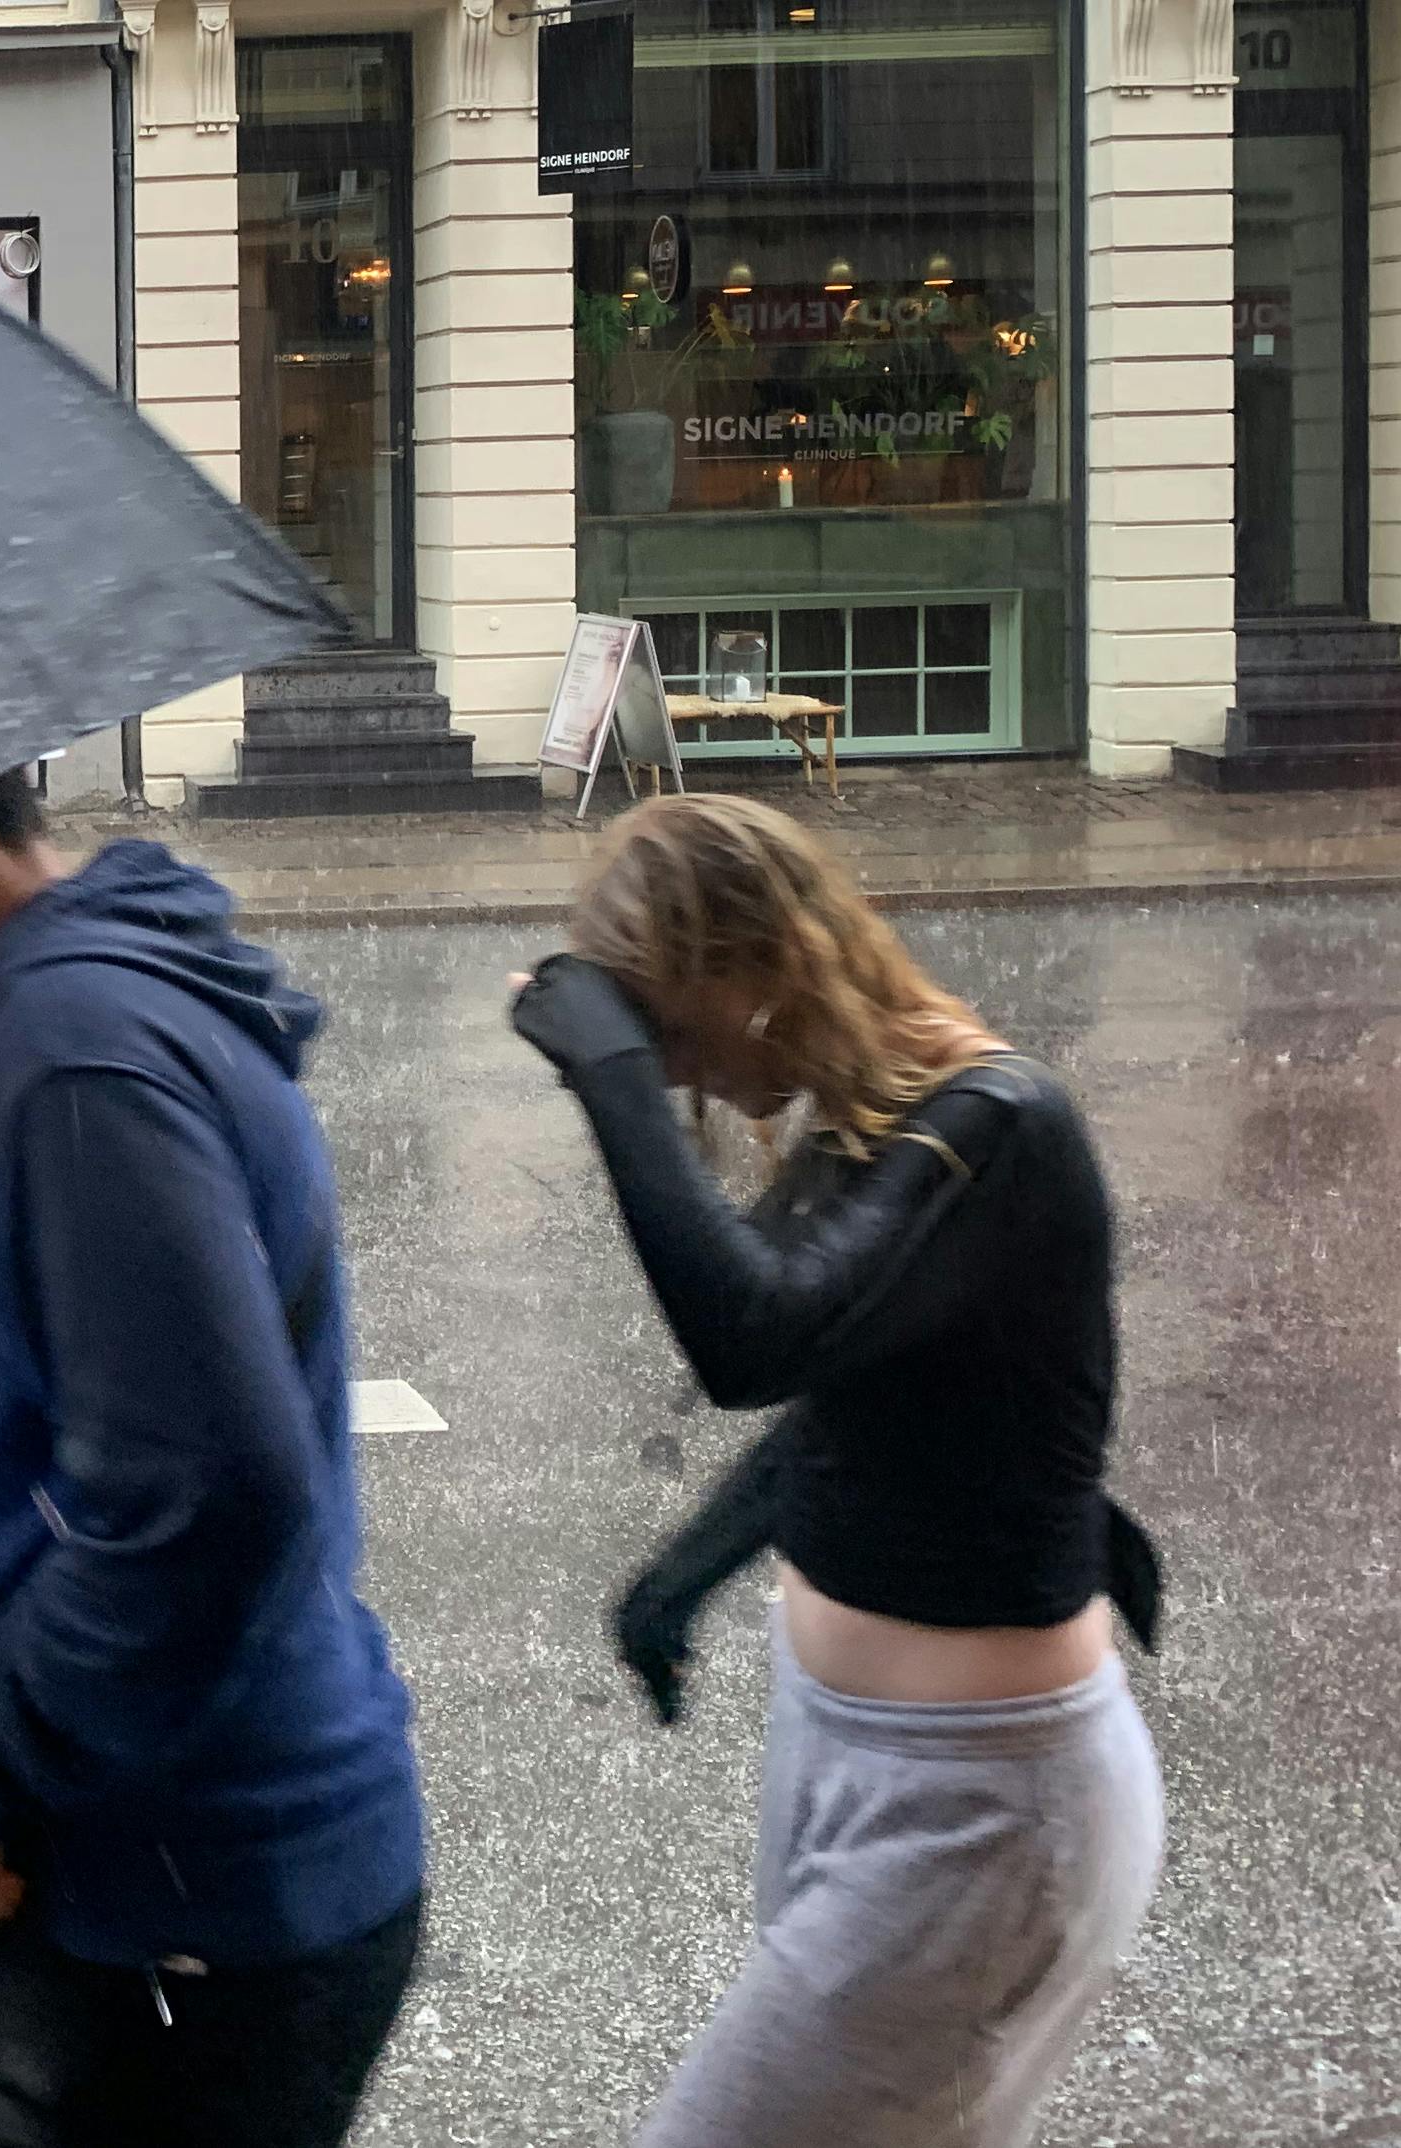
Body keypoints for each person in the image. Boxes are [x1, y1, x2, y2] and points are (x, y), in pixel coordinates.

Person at [0, 771, 429, 2148]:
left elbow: (209, 1497)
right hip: (150, 1861)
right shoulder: (33, 1020)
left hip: (174, 1895)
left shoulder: (69, 1049)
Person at [505, 794, 1164, 2148]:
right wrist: (685, 1568)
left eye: (666, 1030)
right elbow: (844, 1398)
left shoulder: (991, 1126)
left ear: (752, 973)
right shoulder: (875, 1123)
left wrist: (604, 1076)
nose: (670, 1075)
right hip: (859, 1753)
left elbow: (758, 1338)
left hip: (982, 1803)